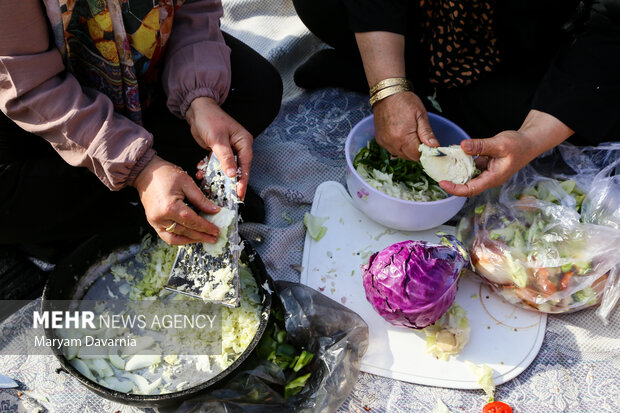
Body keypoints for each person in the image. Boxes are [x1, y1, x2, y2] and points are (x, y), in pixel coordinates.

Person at [0, 0, 283, 263]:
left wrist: (199, 98)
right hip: (34, 106)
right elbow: (32, 85)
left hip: (143, 69)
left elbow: (193, 7)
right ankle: (143, 201)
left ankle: (131, 204)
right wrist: (141, 168)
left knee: (257, 89)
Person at [292, 0, 620, 197]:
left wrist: (529, 138)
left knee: (561, 116)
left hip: (523, 43)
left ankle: (407, 78)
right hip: (427, 16)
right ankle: (399, 74)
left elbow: (609, 28)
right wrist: (387, 86)